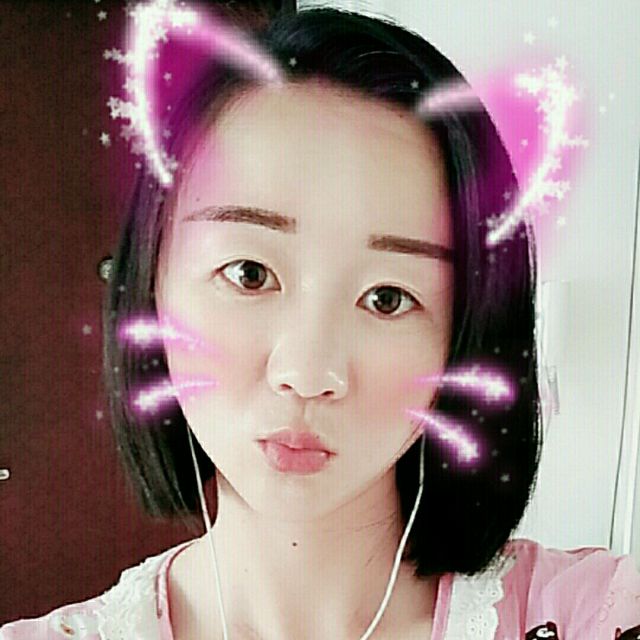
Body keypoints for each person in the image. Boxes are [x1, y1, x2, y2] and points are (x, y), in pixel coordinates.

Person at [2, 4, 639, 640]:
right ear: (152, 289)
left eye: (387, 298)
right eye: (250, 273)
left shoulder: (594, 616)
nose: (307, 374)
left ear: (463, 340)